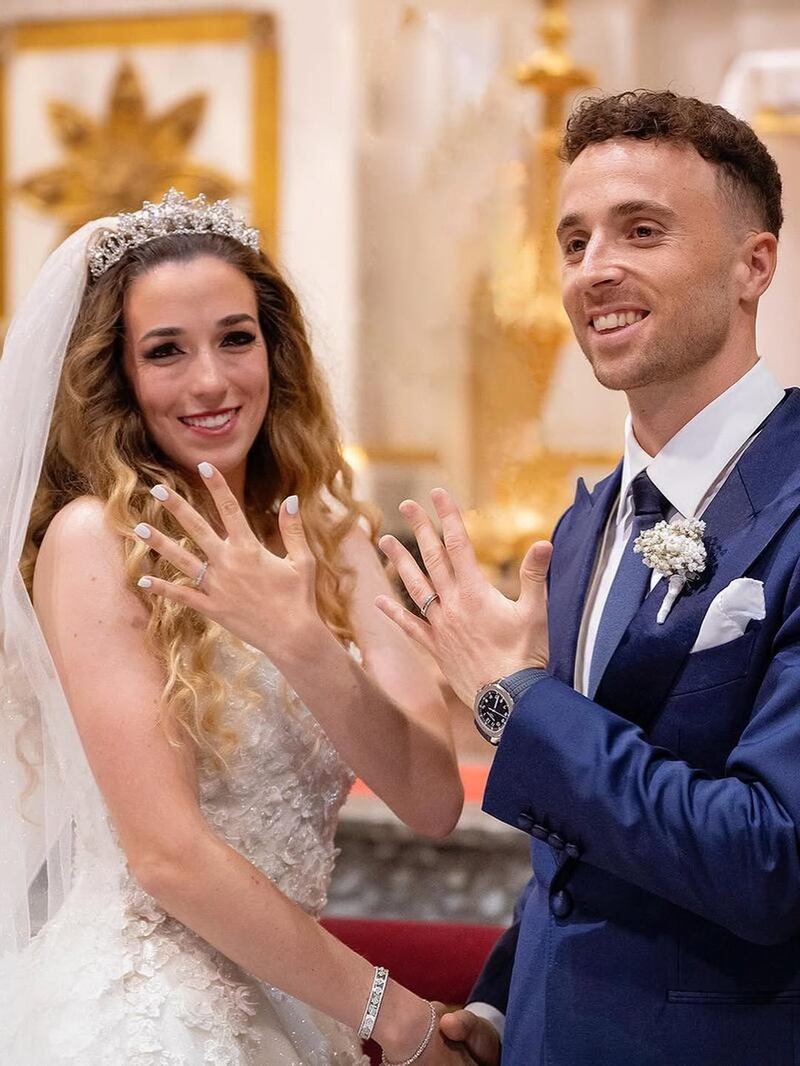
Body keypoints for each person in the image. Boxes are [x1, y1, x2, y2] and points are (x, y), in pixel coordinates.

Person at [378, 90, 800, 1065]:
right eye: (574, 241)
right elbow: (578, 843)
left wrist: (514, 698)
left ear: (754, 264)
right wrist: (498, 1006)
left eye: (640, 231)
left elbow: (771, 858)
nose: (592, 269)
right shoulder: (579, 527)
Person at [0, 189, 469, 1065]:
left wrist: (301, 639)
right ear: (119, 377)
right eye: (165, 351)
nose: (211, 381)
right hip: (150, 1016)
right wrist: (397, 1018)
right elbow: (168, 857)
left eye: (235, 338)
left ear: (274, 350)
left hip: (297, 999)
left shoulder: (333, 538)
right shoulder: (98, 541)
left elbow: (432, 801)